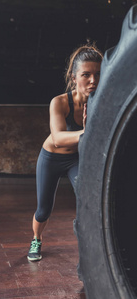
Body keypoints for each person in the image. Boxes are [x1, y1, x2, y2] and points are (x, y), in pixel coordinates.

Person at [27, 43, 103, 261]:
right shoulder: (59, 102)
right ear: (73, 76)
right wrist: (87, 132)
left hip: (76, 159)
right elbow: (59, 138)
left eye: (98, 74)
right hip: (51, 157)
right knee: (43, 210)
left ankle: (90, 246)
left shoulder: (101, 102)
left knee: (87, 198)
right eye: (86, 74)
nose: (93, 80)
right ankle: (36, 239)